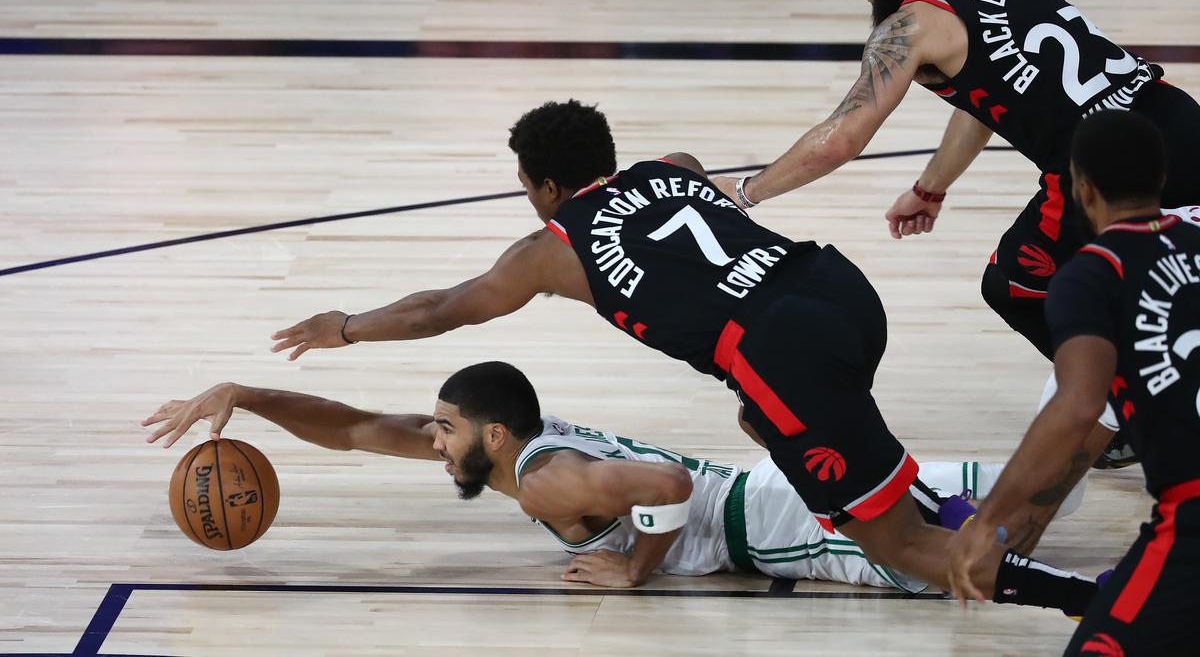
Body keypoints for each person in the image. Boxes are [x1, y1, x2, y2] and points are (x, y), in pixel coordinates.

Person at [267, 99, 1096, 612]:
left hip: (778, 349)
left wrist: (344, 325)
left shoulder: (550, 249)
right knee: (771, 422)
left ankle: (1083, 598)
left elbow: (441, 311)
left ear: (548, 190)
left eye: (528, 188)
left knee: (902, 552)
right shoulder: (675, 165)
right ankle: (960, 482)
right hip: (837, 288)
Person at [707, 0, 1200, 543]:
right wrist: (933, 183)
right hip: (1174, 124)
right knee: (1144, 277)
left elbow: (842, 137)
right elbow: (991, 89)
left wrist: (743, 191)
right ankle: (1134, 396)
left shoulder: (909, 26)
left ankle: (1129, 405)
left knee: (1014, 285)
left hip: (1094, 167)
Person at [143, 360, 1072, 593]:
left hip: (776, 526)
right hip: (767, 487)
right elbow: (349, 428)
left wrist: (636, 573)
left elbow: (665, 486)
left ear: (496, 437)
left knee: (986, 561)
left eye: (448, 430)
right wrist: (245, 392)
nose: (433, 442)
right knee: (1023, 480)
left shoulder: (546, 482)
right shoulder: (508, 451)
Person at [945, 112, 1200, 654]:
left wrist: (988, 525)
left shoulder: (1094, 275)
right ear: (1162, 178)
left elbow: (1077, 411)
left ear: (1082, 188)